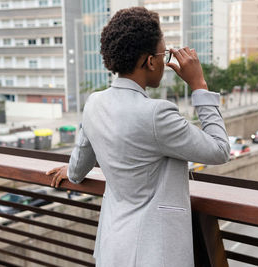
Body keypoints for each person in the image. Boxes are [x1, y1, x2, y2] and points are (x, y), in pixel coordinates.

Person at [46, 7, 230, 267]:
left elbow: (80, 164)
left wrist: (70, 172)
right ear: (149, 61)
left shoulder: (94, 103)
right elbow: (220, 149)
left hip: (113, 247)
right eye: (163, 54)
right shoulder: (156, 113)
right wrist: (199, 86)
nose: (166, 63)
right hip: (154, 254)